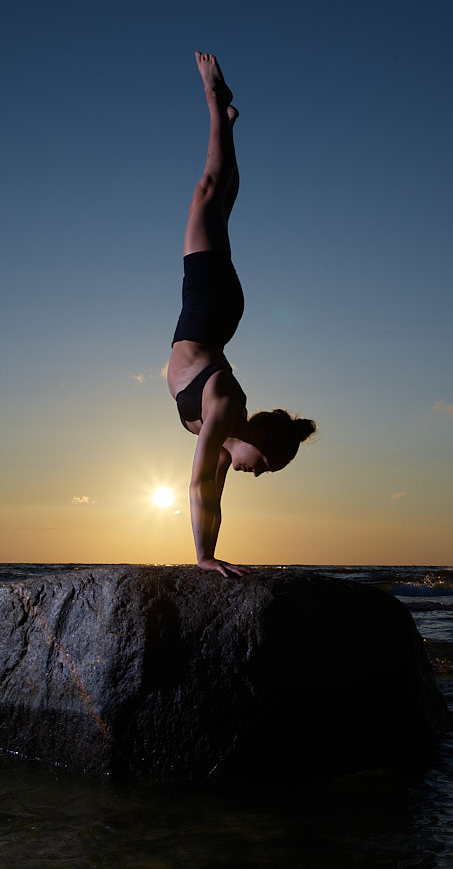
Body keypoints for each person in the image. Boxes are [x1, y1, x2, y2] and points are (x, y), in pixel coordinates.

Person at [167, 52, 316, 579]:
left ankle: (226, 122)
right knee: (208, 193)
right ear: (258, 440)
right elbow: (197, 480)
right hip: (210, 308)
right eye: (267, 467)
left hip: (210, 311)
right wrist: (203, 558)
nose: (259, 475)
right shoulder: (228, 403)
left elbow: (211, 490)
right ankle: (215, 103)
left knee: (219, 203)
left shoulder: (228, 441)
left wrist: (209, 553)